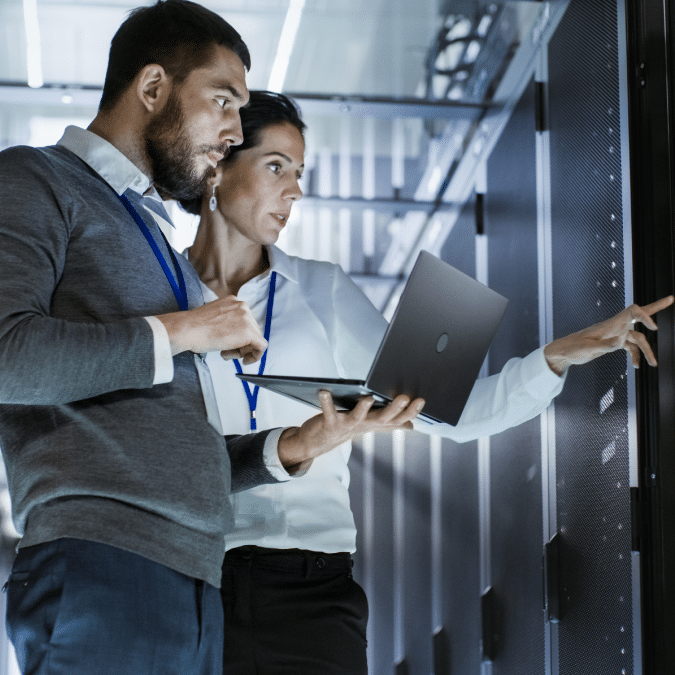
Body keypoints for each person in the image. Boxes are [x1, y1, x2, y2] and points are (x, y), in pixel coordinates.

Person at [181, 90, 674, 675]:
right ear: (220, 165)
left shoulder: (323, 290)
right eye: (276, 166)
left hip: (312, 590)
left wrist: (556, 358)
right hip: (193, 582)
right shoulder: (162, 299)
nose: (295, 190)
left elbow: (451, 414)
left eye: (301, 173)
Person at [0, 5, 423, 675]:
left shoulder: (156, 243)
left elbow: (173, 450)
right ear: (152, 88)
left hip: (194, 585)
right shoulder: (33, 180)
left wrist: (293, 447)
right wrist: (193, 326)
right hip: (103, 566)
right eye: (222, 101)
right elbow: (7, 357)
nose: (232, 131)